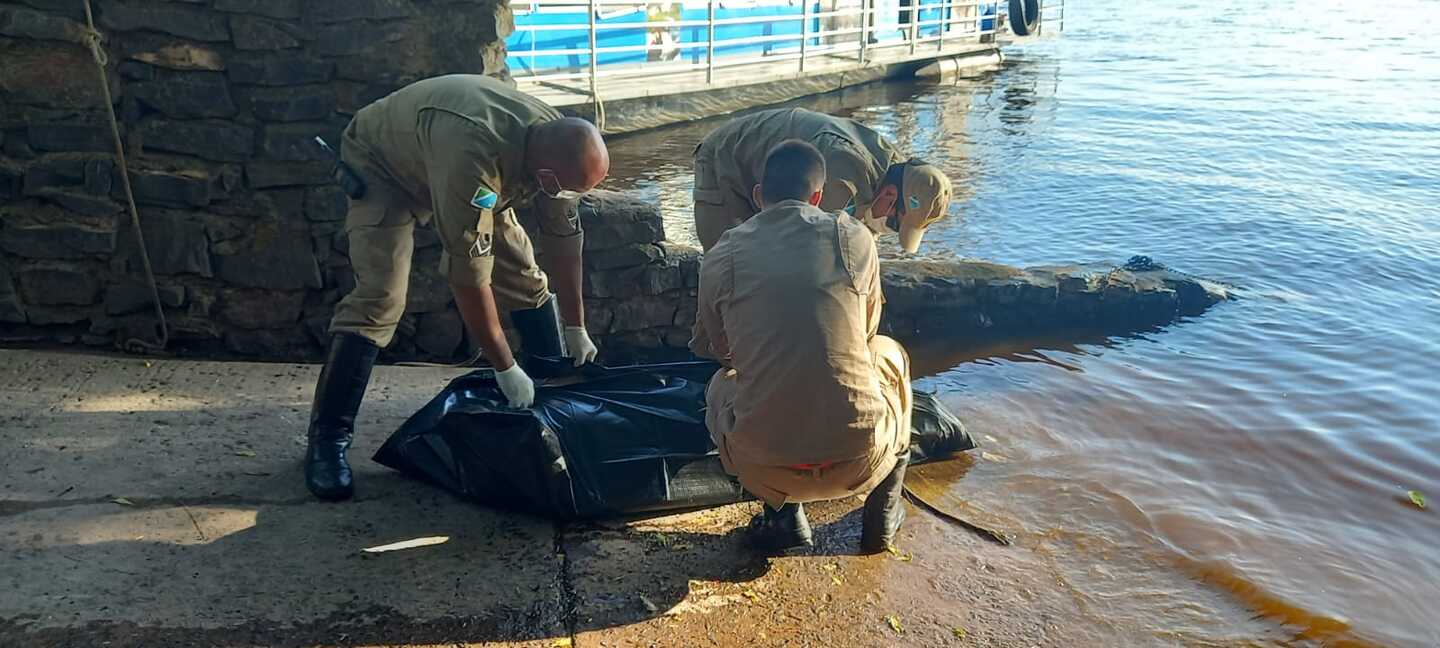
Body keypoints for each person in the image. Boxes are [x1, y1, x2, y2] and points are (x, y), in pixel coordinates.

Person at [305, 75, 609, 501]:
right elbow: (469, 275)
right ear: (544, 173)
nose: (566, 196)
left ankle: (547, 405)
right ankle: (327, 442)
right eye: (564, 189)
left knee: (525, 278)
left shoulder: (555, 142)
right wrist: (505, 367)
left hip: (459, 161)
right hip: (384, 167)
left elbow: (562, 238)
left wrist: (576, 326)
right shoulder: (475, 162)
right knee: (381, 297)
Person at [698, 140, 913, 554]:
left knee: (720, 384)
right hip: (861, 462)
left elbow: (722, 350)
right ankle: (882, 515)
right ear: (818, 196)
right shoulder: (855, 239)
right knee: (890, 354)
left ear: (759, 196)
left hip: (762, 467)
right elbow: (867, 335)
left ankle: (784, 518)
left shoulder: (721, 254)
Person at [691, 107, 953, 254]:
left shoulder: (898, 171)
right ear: (889, 196)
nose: (891, 231)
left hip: (773, 176)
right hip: (724, 162)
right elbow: (809, 243)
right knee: (726, 262)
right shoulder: (841, 169)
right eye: (896, 223)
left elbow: (857, 234)